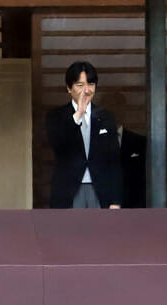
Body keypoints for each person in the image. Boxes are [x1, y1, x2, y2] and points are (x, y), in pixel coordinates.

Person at [45, 61, 122, 209]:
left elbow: (114, 161)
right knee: (71, 231)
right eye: (80, 85)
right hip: (69, 189)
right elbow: (57, 143)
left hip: (100, 189)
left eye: (91, 85)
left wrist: (115, 200)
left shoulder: (106, 117)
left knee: (100, 231)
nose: (86, 90)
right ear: (69, 88)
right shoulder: (56, 116)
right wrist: (78, 114)